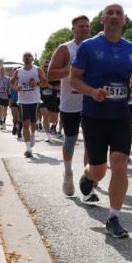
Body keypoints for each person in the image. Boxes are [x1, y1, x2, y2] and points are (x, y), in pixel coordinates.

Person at [69, 4, 132, 238]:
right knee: (100, 171)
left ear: (124, 20)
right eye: (109, 13)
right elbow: (73, 80)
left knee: (120, 164)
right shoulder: (89, 47)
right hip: (94, 116)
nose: (113, 16)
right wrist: (91, 92)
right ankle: (89, 175)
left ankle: (113, 218)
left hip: (121, 115)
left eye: (118, 13)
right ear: (102, 19)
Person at [47, 15, 96, 199]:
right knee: (70, 141)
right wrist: (74, 69)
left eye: (87, 26)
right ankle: (68, 174)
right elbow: (51, 74)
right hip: (70, 104)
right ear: (73, 29)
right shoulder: (65, 48)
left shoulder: (94, 48)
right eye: (81, 26)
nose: (85, 29)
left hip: (91, 102)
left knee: (92, 142)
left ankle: (88, 181)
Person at [11, 52, 47, 157]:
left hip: (35, 100)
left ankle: (33, 135)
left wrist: (37, 84)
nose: (27, 58)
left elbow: (45, 82)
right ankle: (28, 148)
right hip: (23, 101)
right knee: (25, 123)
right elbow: (12, 83)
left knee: (33, 122)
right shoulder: (18, 71)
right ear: (22, 59)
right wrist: (16, 88)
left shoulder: (37, 70)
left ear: (32, 59)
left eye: (29, 56)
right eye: (25, 56)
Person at [39, 60, 61, 141]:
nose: (46, 68)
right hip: (42, 99)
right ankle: (48, 136)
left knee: (54, 119)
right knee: (45, 115)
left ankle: (53, 125)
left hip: (53, 99)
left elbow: (60, 86)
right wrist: (51, 86)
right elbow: (41, 84)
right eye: (44, 66)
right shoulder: (40, 75)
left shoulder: (55, 76)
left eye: (47, 66)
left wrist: (50, 86)